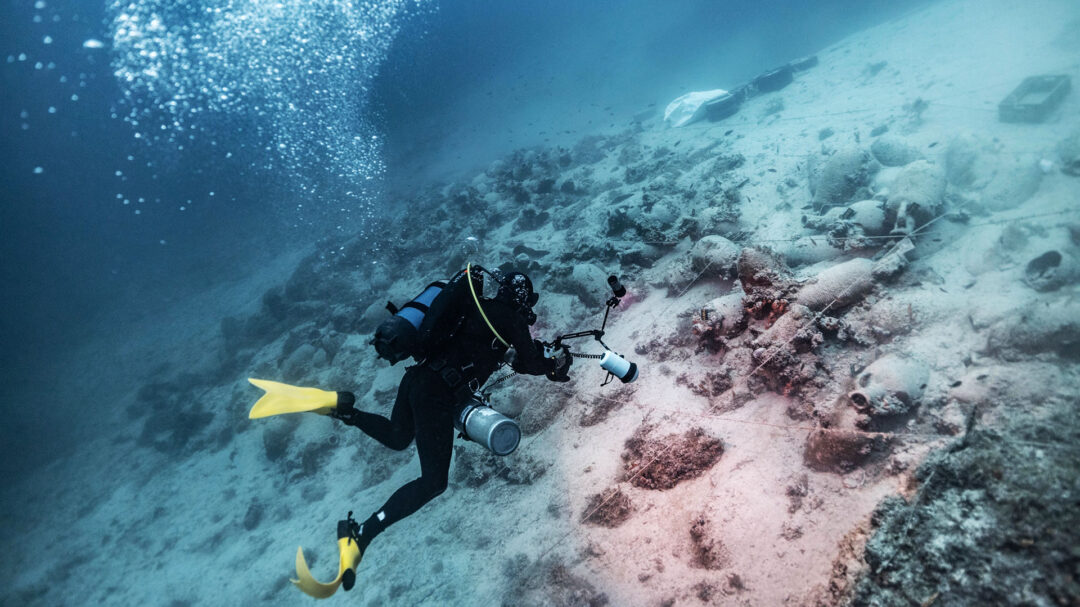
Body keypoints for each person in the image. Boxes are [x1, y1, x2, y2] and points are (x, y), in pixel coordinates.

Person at [327, 270, 572, 571]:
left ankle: (346, 412)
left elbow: (508, 355)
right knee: (433, 482)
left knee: (397, 436)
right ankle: (361, 534)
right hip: (437, 394)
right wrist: (555, 365)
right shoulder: (510, 319)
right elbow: (531, 362)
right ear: (522, 299)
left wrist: (535, 358)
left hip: (418, 379)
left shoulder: (473, 307)